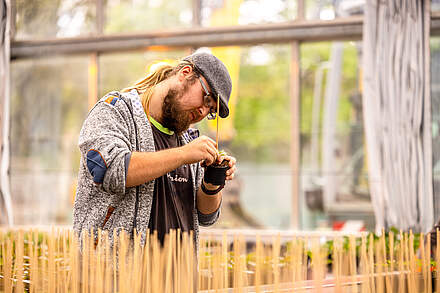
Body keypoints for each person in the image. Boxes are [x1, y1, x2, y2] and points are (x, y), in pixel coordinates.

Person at [73, 52, 237, 247]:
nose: (203, 111)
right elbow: (111, 171)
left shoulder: (187, 137)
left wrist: (212, 180)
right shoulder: (115, 110)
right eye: (207, 99)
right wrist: (183, 155)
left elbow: (205, 215)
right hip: (117, 273)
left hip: (177, 275)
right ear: (185, 73)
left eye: (211, 111)